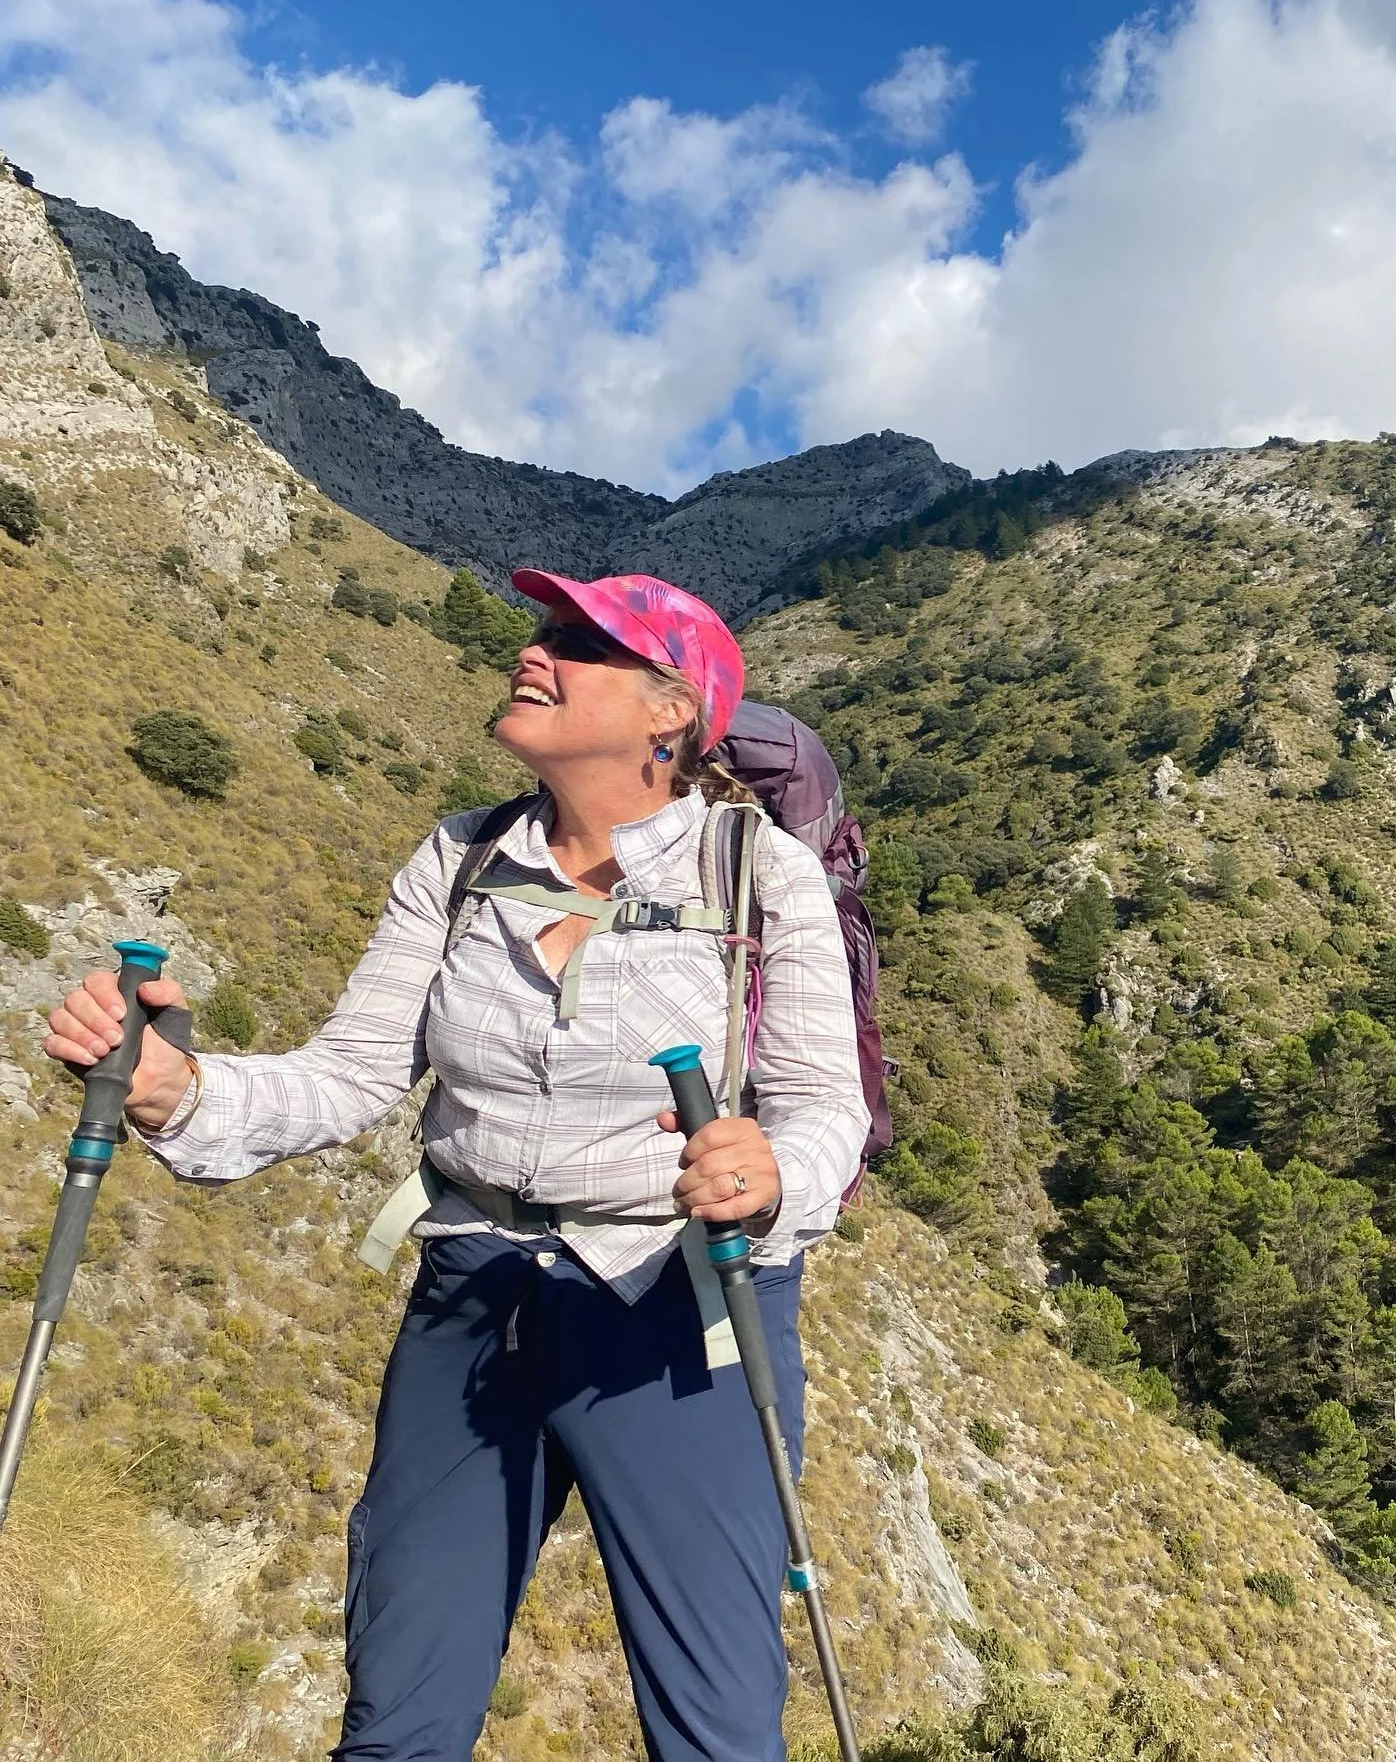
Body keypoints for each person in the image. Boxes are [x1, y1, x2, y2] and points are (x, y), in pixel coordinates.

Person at [44, 569, 869, 1762]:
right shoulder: (461, 858)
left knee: (718, 1732)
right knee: (397, 1720)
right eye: (543, 631)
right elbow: (351, 1073)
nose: (535, 653)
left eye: (580, 642)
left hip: (680, 1307)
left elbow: (822, 1115)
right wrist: (181, 1092)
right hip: (478, 1294)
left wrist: (770, 1170)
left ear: (668, 711)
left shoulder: (756, 873)